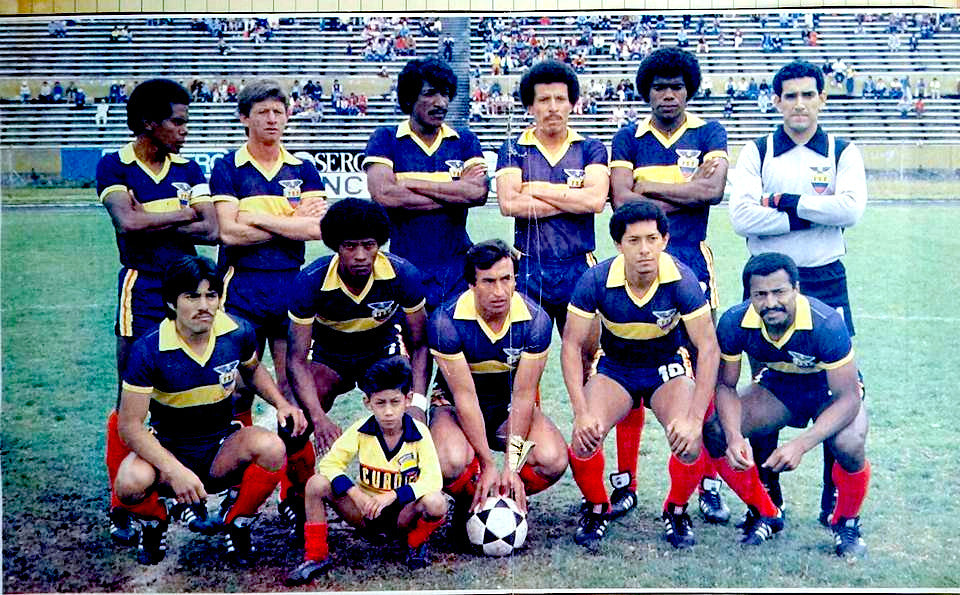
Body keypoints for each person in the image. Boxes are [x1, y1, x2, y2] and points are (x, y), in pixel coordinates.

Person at [563, 201, 781, 550]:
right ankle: (597, 506)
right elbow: (572, 345)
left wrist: (695, 418)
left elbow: (707, 348)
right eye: (634, 240)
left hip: (666, 367)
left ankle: (676, 510)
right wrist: (581, 411)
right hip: (615, 368)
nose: (644, 249)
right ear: (619, 244)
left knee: (688, 438)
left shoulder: (682, 279)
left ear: (665, 239)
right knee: (584, 438)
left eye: (652, 238)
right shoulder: (596, 279)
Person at [728, 60, 867, 526]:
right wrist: (814, 212)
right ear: (776, 101)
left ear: (822, 99)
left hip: (825, 277)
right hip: (765, 282)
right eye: (790, 96)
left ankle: (833, 497)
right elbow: (741, 218)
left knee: (837, 387)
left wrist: (784, 203)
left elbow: (850, 209)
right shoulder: (758, 151)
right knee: (764, 381)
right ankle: (770, 493)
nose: (800, 104)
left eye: (809, 95)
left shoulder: (842, 151)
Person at [113, 255, 308, 566]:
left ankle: (238, 521)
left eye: (211, 295)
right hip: (170, 447)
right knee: (129, 483)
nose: (204, 305)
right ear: (172, 302)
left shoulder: (236, 331)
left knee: (272, 448)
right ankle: (155, 522)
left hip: (220, 445)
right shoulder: (148, 349)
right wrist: (175, 471)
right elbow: (130, 426)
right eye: (192, 296)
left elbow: (253, 370)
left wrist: (281, 403)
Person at [608, 46, 730, 525]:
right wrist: (683, 187)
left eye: (677, 86)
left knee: (706, 371)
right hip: (637, 266)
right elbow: (621, 201)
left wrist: (649, 190)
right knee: (628, 364)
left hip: (692, 263)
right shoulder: (628, 136)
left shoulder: (708, 132)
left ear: (688, 90)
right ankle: (625, 483)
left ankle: (710, 482)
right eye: (659, 86)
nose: (668, 95)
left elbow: (713, 191)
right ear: (647, 92)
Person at [97, 78, 219, 548]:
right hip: (142, 285)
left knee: (201, 384)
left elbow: (210, 229)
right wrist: (181, 212)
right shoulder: (115, 164)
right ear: (150, 123)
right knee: (130, 392)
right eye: (177, 121)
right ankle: (123, 506)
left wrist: (155, 215)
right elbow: (126, 222)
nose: (185, 130)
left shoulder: (190, 166)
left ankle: (194, 495)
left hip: (190, 290)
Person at [209, 78, 328, 534]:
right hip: (241, 289)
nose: (272, 119)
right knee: (235, 387)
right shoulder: (227, 167)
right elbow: (227, 233)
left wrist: (254, 215)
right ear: (245, 118)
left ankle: (296, 491)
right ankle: (236, 480)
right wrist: (287, 221)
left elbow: (316, 231)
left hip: (291, 288)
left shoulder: (305, 167)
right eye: (262, 112)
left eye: (279, 112)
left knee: (293, 388)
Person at [708, 253, 870, 557]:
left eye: (779, 291)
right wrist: (733, 437)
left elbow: (848, 398)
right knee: (716, 431)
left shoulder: (826, 323)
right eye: (761, 294)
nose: (771, 302)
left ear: (796, 288)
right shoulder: (735, 321)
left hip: (829, 393)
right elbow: (725, 386)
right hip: (780, 386)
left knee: (849, 443)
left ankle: (846, 521)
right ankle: (766, 511)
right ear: (750, 295)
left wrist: (800, 444)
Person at [428, 240, 568, 531]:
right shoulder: (445, 321)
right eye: (488, 281)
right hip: (456, 407)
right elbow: (465, 397)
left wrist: (511, 467)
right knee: (449, 461)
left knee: (552, 458)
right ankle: (472, 500)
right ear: (471, 284)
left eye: (507, 279)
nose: (500, 291)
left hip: (507, 407)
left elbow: (524, 395)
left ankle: (502, 497)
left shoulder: (536, 321)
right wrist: (489, 463)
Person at [286, 198, 430, 460]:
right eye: (350, 246)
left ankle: (401, 489)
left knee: (404, 418)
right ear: (336, 246)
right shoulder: (310, 281)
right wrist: (318, 419)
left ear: (379, 244)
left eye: (369, 245)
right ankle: (296, 493)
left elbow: (420, 344)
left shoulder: (402, 274)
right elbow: (295, 360)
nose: (361, 255)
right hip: (329, 358)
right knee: (295, 421)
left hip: (381, 353)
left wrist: (418, 402)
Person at [285, 356, 446, 585]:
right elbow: (329, 463)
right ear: (367, 403)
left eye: (395, 402)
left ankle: (415, 542)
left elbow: (433, 479)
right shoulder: (361, 430)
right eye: (380, 403)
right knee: (316, 484)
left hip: (403, 514)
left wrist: (392, 495)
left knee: (436, 502)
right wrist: (355, 494)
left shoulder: (419, 433)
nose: (388, 411)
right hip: (366, 511)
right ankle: (316, 555)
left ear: (407, 400)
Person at [363, 58, 489, 311]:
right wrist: (454, 193)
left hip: (456, 268)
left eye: (444, 94)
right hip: (405, 265)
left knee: (452, 345)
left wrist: (409, 183)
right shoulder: (386, 137)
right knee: (413, 346)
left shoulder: (464, 140)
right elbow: (385, 194)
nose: (440, 103)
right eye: (430, 94)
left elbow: (477, 193)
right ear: (409, 98)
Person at [495, 59, 608, 334]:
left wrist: (534, 188)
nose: (553, 107)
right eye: (544, 100)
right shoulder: (513, 148)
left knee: (586, 353)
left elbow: (595, 202)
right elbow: (509, 204)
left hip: (578, 264)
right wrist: (573, 199)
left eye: (560, 99)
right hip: (528, 266)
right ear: (530, 106)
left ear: (572, 103)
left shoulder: (591, 148)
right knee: (523, 356)